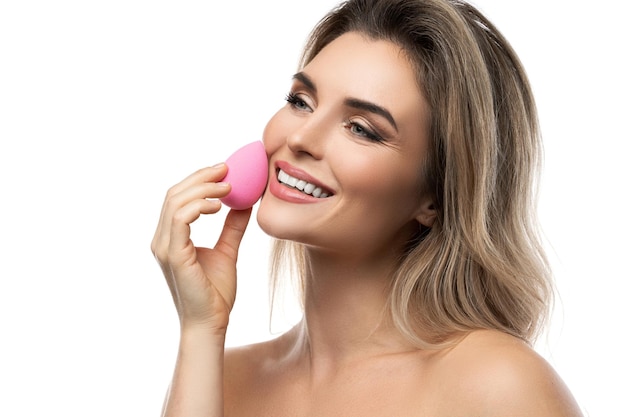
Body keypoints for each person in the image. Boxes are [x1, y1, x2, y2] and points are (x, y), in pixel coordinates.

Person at [151, 0, 583, 415]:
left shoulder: (499, 386)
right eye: (301, 101)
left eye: (361, 129)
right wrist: (200, 329)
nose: (301, 138)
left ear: (435, 197)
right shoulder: (224, 378)